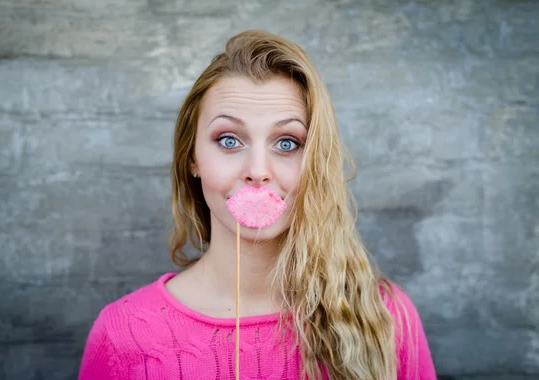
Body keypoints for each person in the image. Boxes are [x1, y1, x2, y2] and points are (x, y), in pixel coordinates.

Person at [78, 30, 437, 380]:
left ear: (315, 162)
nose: (258, 172)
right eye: (229, 140)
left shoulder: (386, 317)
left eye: (287, 143)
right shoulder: (121, 334)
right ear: (193, 158)